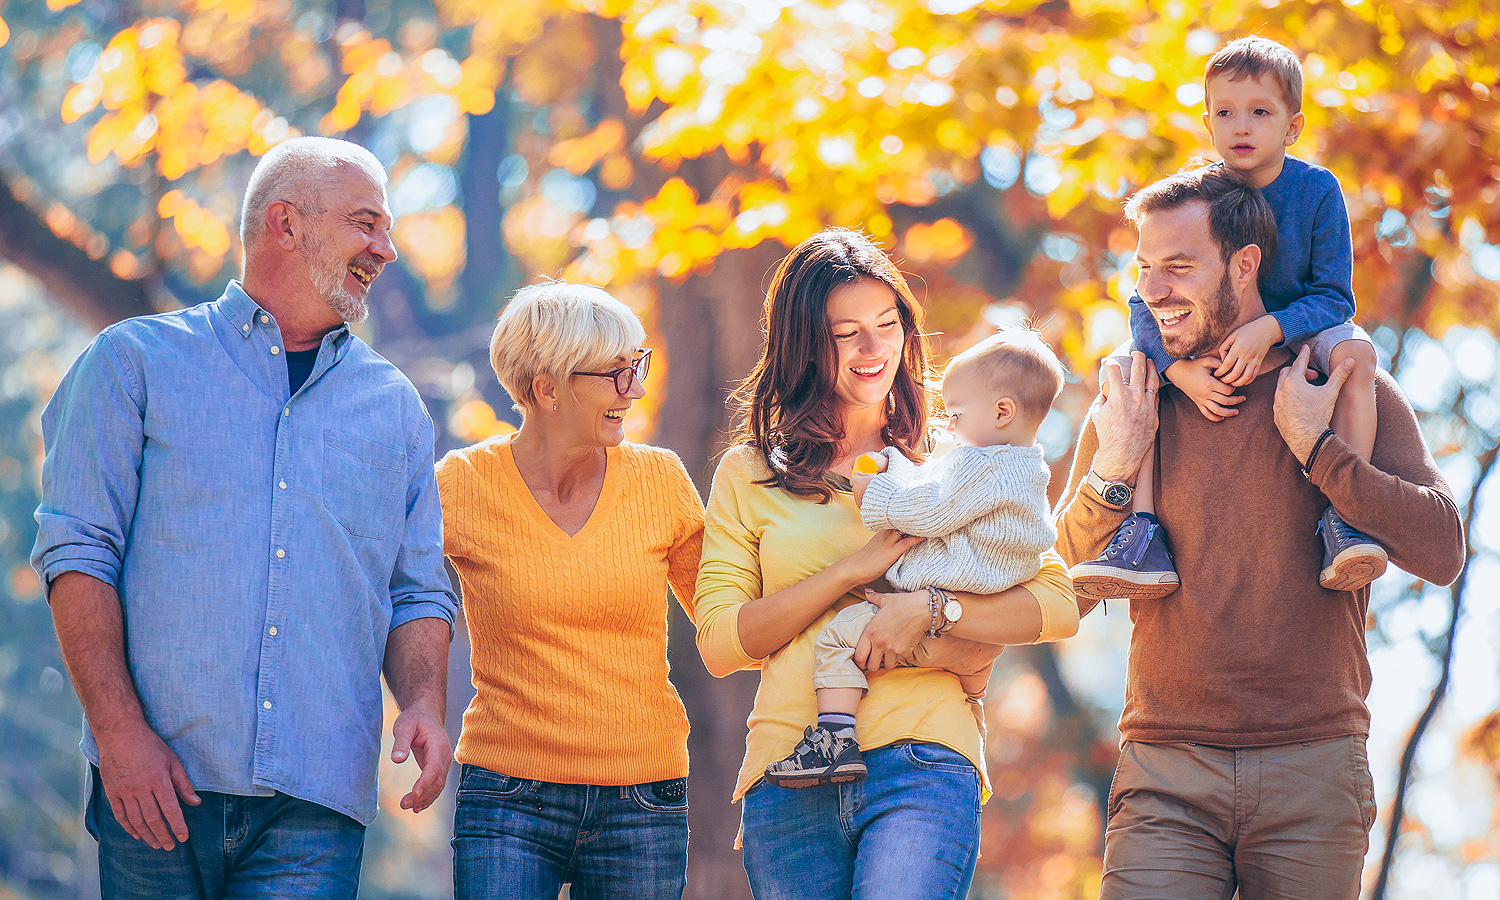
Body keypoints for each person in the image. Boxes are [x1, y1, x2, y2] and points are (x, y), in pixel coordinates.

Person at [31, 136, 458, 898]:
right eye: (367, 223)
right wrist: (119, 734)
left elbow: (417, 588)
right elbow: (77, 553)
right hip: (154, 788)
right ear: (286, 224)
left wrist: (423, 700)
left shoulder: (394, 408)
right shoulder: (133, 363)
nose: (386, 250)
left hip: (314, 808)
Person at [1054, 164, 1465, 899]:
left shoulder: (1337, 385)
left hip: (1315, 767)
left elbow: (1442, 550)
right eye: (1145, 268)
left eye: (1178, 268)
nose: (1153, 291)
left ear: (1245, 264)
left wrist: (1320, 452)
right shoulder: (1136, 397)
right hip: (1164, 768)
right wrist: (1115, 467)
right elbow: (1057, 591)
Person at [694, 228, 1078, 899]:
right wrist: (850, 570)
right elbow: (723, 643)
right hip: (789, 773)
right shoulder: (750, 472)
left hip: (924, 759)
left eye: (887, 324)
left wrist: (934, 612)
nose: (874, 350)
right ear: (802, 344)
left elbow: (1055, 605)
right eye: (846, 333)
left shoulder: (961, 453)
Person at [1071, 35, 1387, 602]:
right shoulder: (1202, 195)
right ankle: (1141, 532)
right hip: (1200, 339)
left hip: (1302, 329)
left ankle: (1346, 515)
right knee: (1127, 372)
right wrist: (1174, 369)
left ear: (1293, 126)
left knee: (1356, 356)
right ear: (1208, 122)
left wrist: (1273, 327)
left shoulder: (1317, 191)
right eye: (1225, 112)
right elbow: (1146, 297)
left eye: (1260, 112)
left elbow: (1336, 297)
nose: (1241, 127)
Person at [439, 281, 704, 900]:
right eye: (615, 373)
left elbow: (729, 622)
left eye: (637, 367)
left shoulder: (660, 480)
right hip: (507, 794)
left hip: (643, 799)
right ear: (546, 388)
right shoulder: (462, 484)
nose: (635, 389)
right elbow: (401, 599)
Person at [763, 327, 1064, 788]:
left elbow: (931, 508)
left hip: (945, 585)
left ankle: (833, 738)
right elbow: (937, 480)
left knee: (838, 639)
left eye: (958, 414)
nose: (950, 426)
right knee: (971, 670)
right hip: (984, 600)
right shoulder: (1024, 467)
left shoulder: (979, 464)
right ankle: (973, 716)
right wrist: (895, 465)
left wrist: (874, 492)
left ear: (1002, 411)